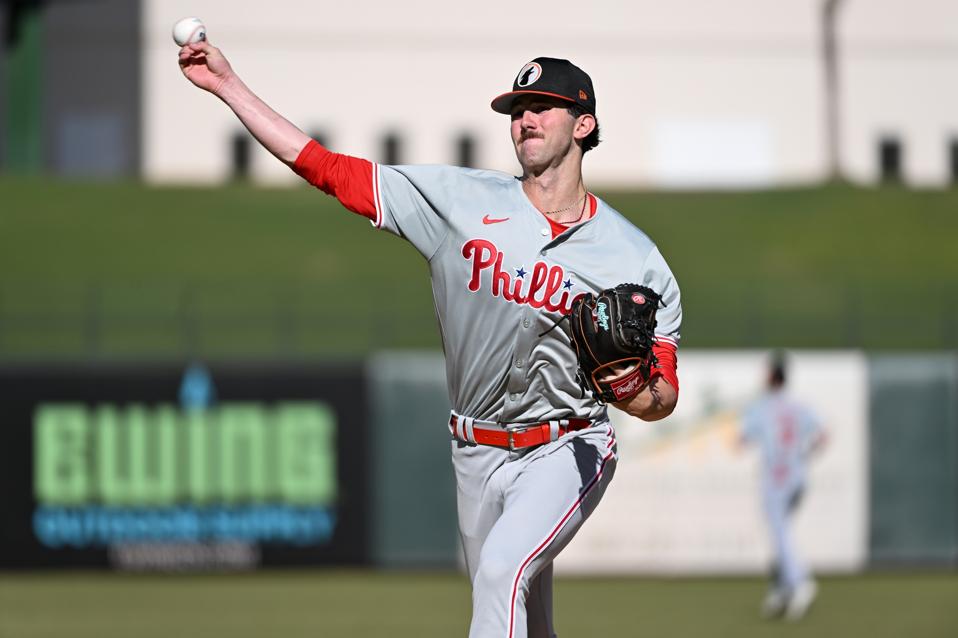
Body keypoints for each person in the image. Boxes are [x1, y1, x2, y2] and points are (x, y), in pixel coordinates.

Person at [178, 43, 682, 638]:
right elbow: (323, 167)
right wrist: (228, 85)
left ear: (584, 124)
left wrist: (627, 386)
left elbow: (663, 397)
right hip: (474, 449)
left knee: (501, 574)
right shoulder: (458, 201)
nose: (525, 119)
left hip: (567, 447)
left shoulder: (636, 258)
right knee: (523, 611)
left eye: (542, 107)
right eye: (517, 109)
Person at [740, 353, 826, 621]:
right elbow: (823, 434)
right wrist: (803, 455)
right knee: (781, 529)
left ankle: (800, 582)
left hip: (775, 476)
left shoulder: (762, 406)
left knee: (780, 532)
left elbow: (741, 437)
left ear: (770, 376)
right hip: (797, 475)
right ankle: (780, 589)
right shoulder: (797, 405)